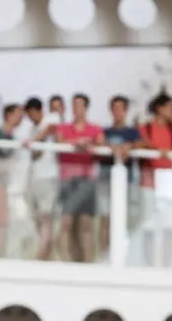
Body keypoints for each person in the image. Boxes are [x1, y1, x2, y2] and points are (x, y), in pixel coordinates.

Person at [138, 92, 172, 267]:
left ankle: (167, 263)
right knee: (149, 224)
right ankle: (149, 263)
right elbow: (141, 143)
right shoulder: (146, 127)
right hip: (149, 178)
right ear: (159, 108)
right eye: (169, 107)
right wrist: (157, 149)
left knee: (169, 223)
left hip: (167, 178)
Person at [55, 93, 104, 262]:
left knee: (85, 223)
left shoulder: (95, 129)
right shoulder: (63, 128)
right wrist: (79, 142)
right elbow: (59, 142)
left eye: (79, 105)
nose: (76, 109)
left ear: (86, 108)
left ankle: (87, 261)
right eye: (74, 105)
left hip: (87, 180)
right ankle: (66, 261)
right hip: (67, 180)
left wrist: (88, 144)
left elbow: (101, 144)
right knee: (66, 222)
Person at [98, 95, 140, 262]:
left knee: (124, 221)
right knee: (105, 220)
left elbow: (145, 143)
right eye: (114, 108)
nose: (117, 112)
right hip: (106, 180)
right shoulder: (105, 132)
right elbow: (98, 142)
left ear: (125, 111)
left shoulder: (132, 133)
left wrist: (130, 146)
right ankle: (103, 257)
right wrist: (110, 146)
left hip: (126, 183)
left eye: (120, 108)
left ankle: (125, 257)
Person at [23, 97, 61, 261]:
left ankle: (42, 255)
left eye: (31, 114)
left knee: (47, 216)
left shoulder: (51, 119)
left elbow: (51, 128)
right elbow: (34, 153)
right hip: (35, 177)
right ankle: (46, 251)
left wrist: (34, 141)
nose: (30, 118)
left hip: (49, 176)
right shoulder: (33, 129)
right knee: (37, 216)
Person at [0, 104, 24, 258]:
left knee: (2, 220)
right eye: (18, 114)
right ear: (9, 115)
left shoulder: (12, 139)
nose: (20, 119)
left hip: (4, 182)